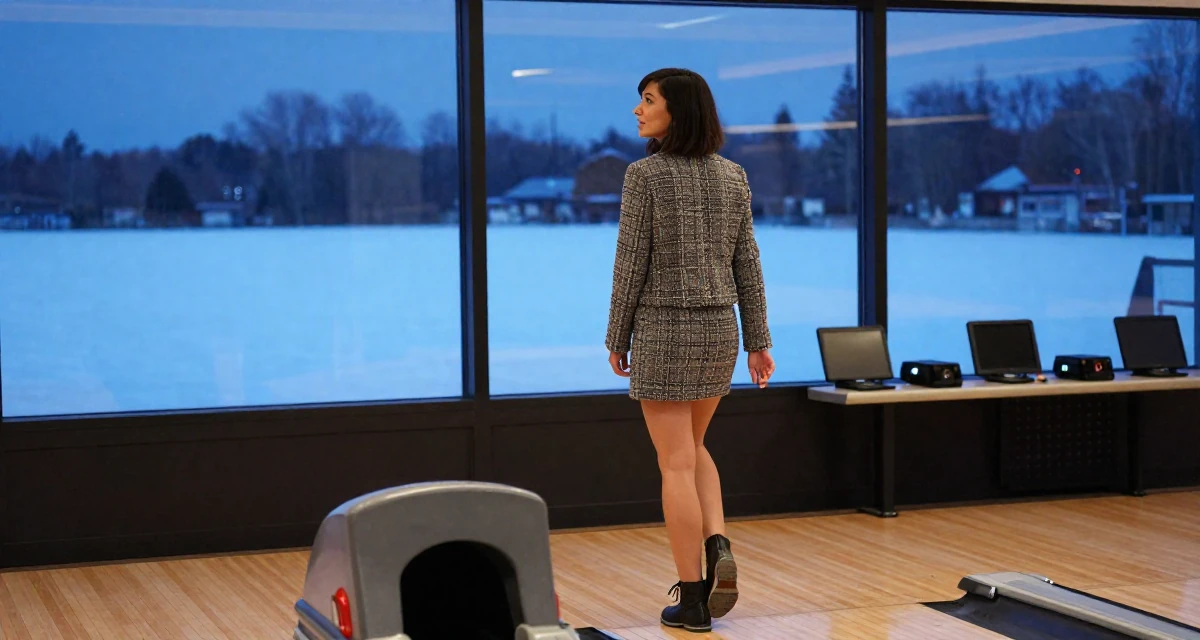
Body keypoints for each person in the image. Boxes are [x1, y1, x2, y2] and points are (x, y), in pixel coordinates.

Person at [604, 67, 775, 634]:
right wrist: (758, 340)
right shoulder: (733, 177)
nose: (637, 110)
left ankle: (695, 597)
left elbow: (630, 265)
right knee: (696, 446)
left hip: (663, 328)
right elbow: (747, 263)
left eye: (647, 100)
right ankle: (717, 541)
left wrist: (616, 336)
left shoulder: (645, 176)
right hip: (719, 332)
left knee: (674, 461)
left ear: (676, 110)